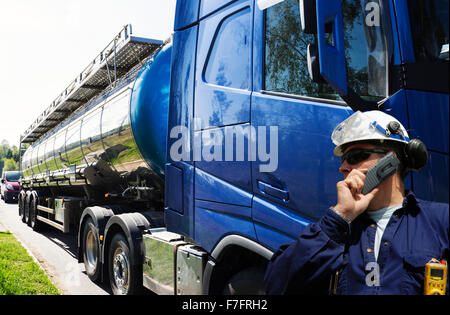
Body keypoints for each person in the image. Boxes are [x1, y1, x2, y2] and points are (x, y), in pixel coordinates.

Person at [264, 110, 449, 295]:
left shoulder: (441, 221)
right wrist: (340, 216)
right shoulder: (334, 231)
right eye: (343, 159)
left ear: (390, 161)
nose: (343, 167)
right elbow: (277, 287)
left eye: (354, 157)